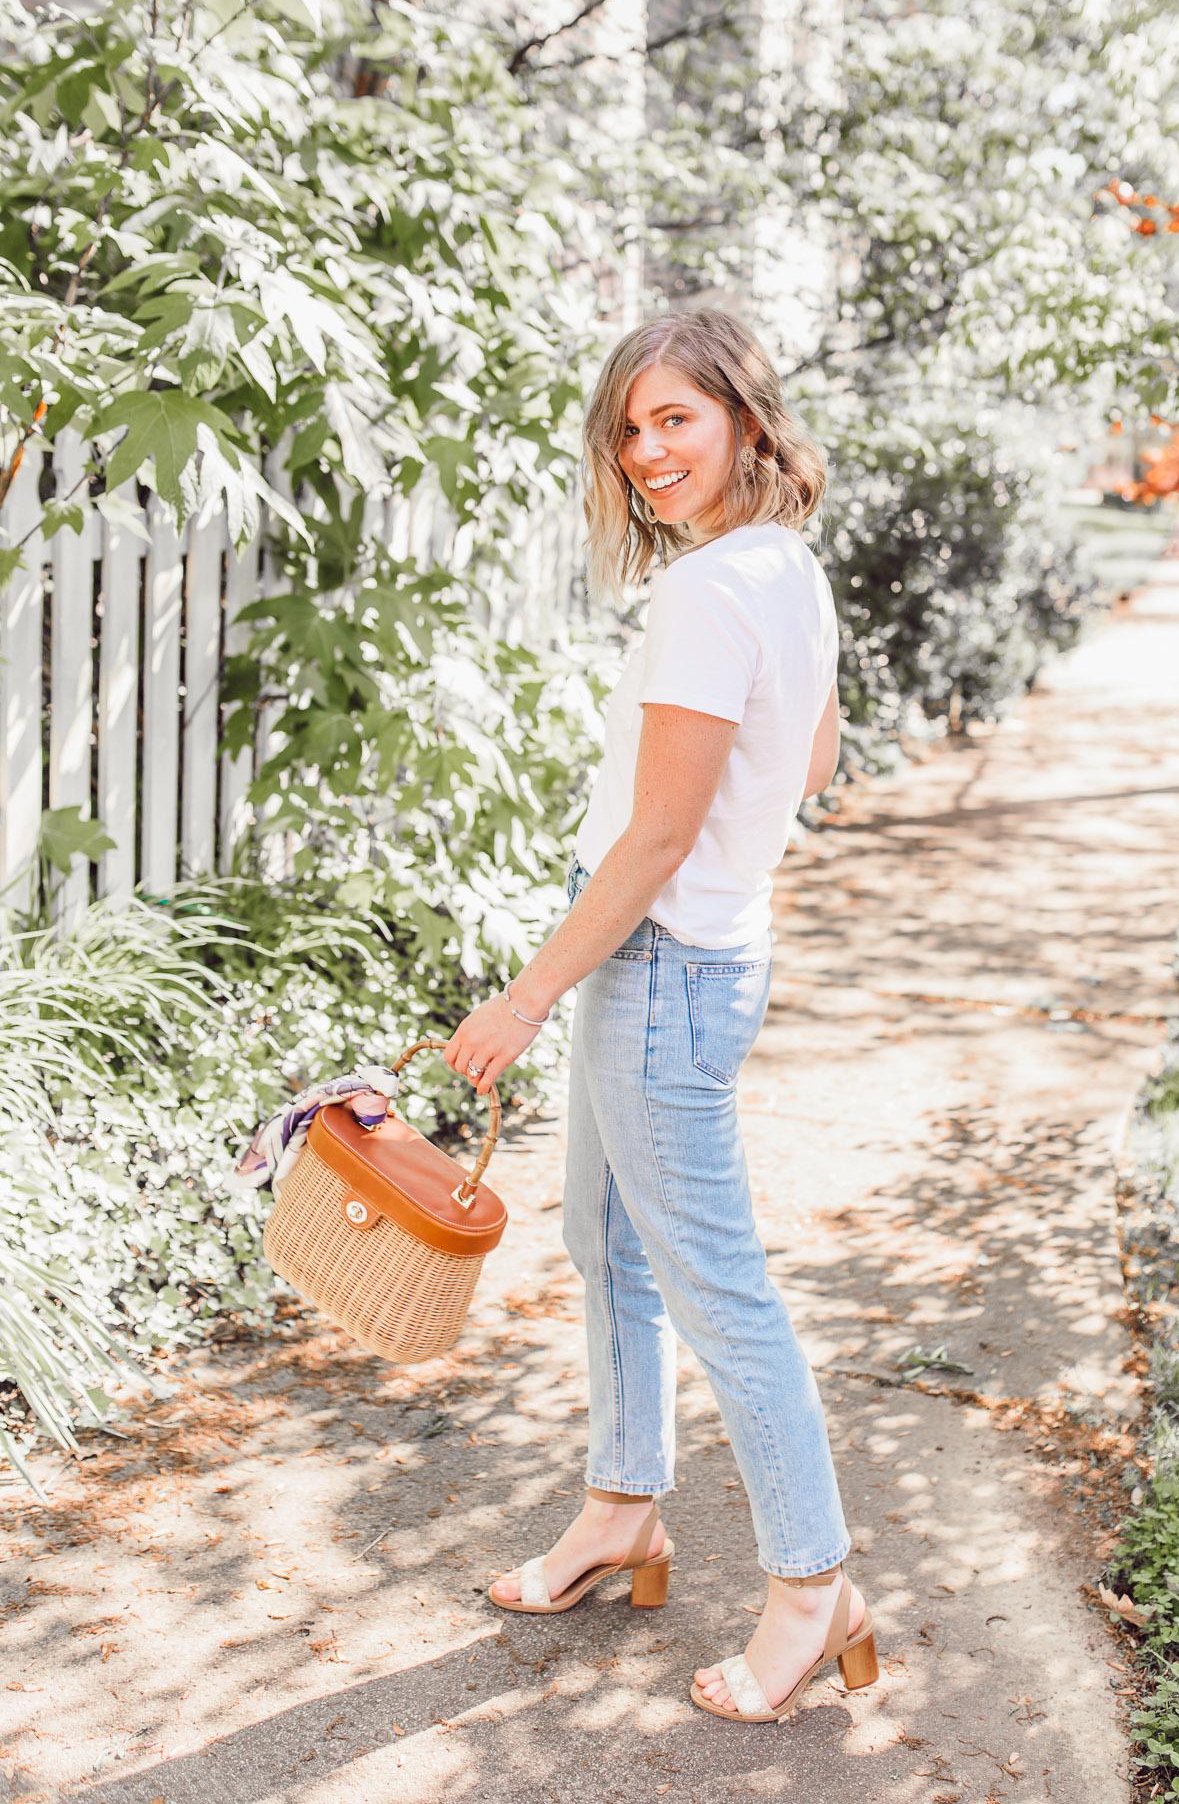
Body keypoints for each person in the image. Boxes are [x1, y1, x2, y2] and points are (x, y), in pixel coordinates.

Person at [444, 307, 877, 1724]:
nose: (644, 453)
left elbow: (653, 839)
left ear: (745, 417)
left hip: (657, 964)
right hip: (703, 957)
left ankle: (814, 1591)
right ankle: (622, 1508)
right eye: (628, 430)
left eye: (673, 419)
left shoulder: (707, 593)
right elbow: (810, 763)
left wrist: (524, 997)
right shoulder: (784, 569)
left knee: (716, 1288)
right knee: (606, 1241)